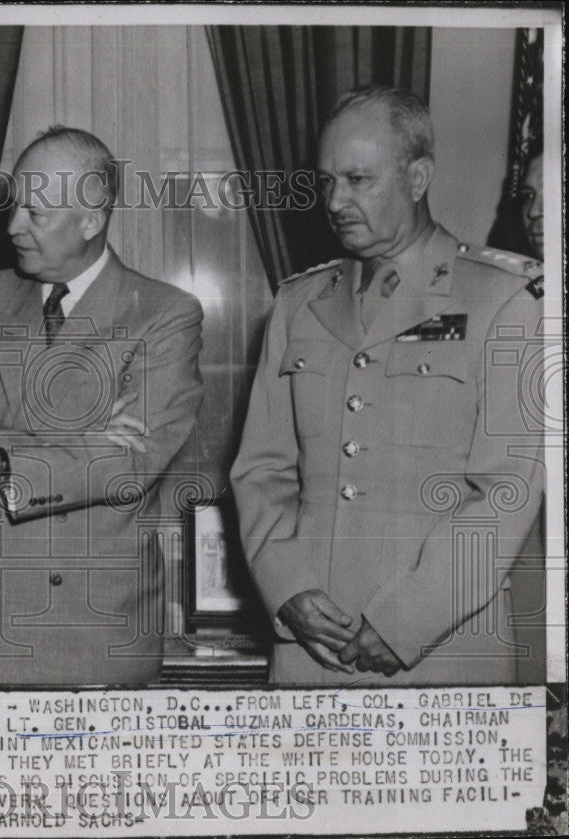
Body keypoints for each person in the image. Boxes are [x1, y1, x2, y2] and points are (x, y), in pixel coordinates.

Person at [230, 86, 545, 685]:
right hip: (310, 650)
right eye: (326, 181)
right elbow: (261, 470)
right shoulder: (299, 303)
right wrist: (287, 587)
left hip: (443, 648)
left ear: (418, 177)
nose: (335, 201)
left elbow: (505, 493)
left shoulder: (503, 300)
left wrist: (407, 621)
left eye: (357, 179)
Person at [0, 127, 204, 685]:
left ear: (90, 221)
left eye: (35, 213)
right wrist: (80, 444)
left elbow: (130, 463)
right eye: (14, 207)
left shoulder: (163, 314)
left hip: (90, 637)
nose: (12, 227)